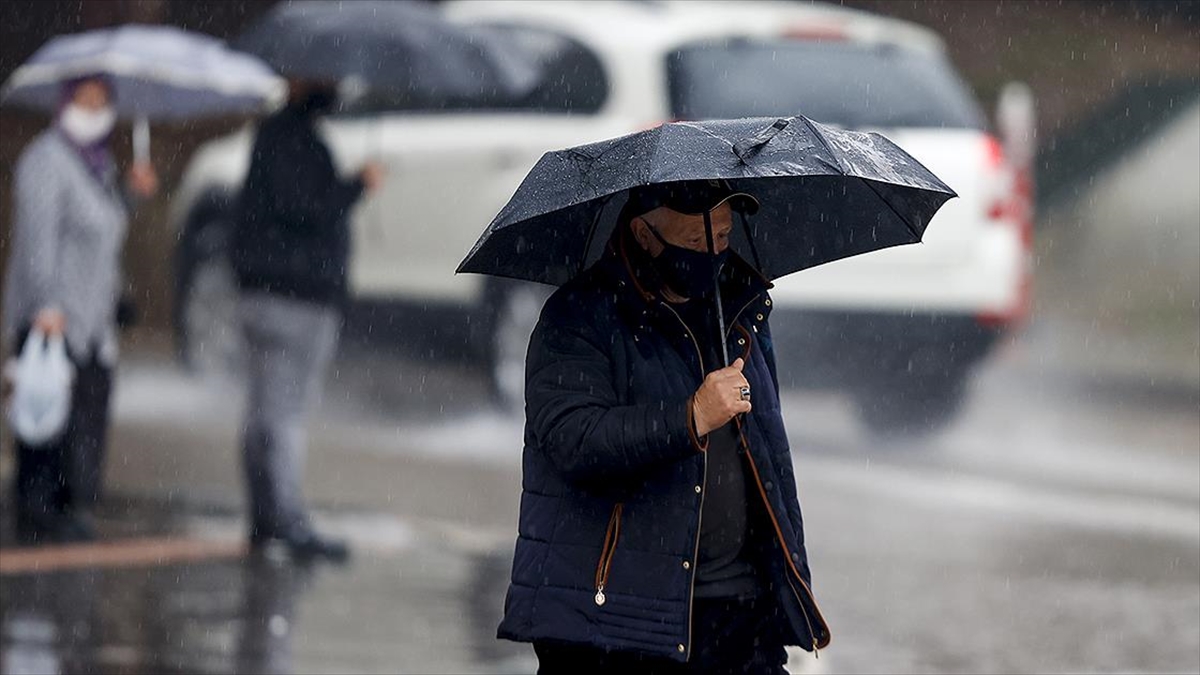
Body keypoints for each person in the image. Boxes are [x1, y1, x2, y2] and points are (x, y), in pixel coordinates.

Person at [497, 180, 832, 673]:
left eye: (721, 237)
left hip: (739, 614)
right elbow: (574, 440)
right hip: (617, 625)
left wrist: (785, 584)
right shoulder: (580, 317)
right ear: (644, 233)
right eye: (696, 243)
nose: (713, 254)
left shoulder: (741, 313)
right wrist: (690, 416)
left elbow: (770, 462)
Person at [230, 79, 383, 562]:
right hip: (295, 299)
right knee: (285, 414)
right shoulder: (294, 141)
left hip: (263, 292)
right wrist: (357, 186)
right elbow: (305, 208)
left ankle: (265, 516)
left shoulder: (270, 136)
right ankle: (287, 520)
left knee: (263, 410)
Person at [2, 75, 159, 544]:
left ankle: (70, 504)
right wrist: (45, 303)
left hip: (92, 320)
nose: (93, 110)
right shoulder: (45, 162)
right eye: (85, 100)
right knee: (46, 412)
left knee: (84, 412)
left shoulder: (99, 167)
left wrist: (130, 196)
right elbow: (36, 240)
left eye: (102, 101)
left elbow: (99, 232)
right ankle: (37, 507)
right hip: (52, 316)